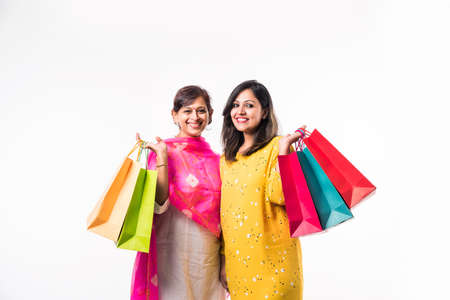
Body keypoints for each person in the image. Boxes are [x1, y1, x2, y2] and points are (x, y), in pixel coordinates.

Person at [131, 86, 227, 300]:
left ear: (210, 115)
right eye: (187, 110)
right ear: (174, 115)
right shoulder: (161, 150)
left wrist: (225, 261)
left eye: (201, 111)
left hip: (206, 258)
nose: (195, 117)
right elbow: (159, 203)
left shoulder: (217, 162)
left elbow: (224, 215)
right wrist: (163, 158)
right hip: (170, 254)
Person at [220, 80, 304, 299]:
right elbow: (225, 216)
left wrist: (285, 152)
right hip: (238, 266)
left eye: (249, 105)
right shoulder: (226, 160)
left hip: (276, 265)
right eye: (235, 105)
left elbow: (282, 196)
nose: (240, 111)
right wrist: (223, 261)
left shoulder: (278, 146)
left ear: (265, 111)